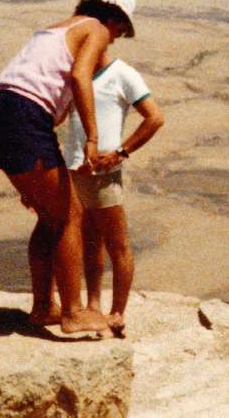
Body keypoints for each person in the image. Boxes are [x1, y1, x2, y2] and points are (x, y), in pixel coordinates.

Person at [0, 0, 135, 334]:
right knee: (70, 215)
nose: (112, 40)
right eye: (119, 31)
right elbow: (80, 77)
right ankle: (74, 312)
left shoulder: (54, 29)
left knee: (51, 216)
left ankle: (43, 307)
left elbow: (55, 103)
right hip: (24, 116)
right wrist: (93, 137)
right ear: (112, 18)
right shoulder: (94, 28)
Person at [63, 52, 164, 336]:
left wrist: (120, 152)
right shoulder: (77, 74)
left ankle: (118, 312)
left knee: (117, 244)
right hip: (73, 169)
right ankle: (93, 305)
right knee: (89, 241)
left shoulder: (122, 74)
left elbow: (155, 118)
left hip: (103, 174)